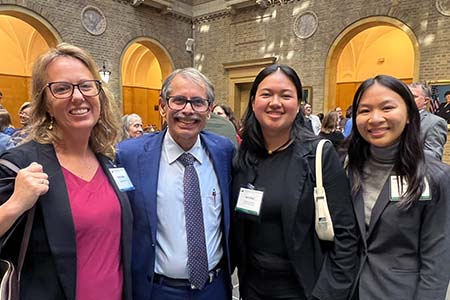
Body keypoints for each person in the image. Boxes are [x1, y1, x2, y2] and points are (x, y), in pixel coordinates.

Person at [0, 43, 133, 300]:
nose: (78, 96)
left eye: (86, 85)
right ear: (46, 104)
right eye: (61, 88)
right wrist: (16, 203)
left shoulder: (109, 161)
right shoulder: (21, 164)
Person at [232, 64, 359, 300]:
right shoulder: (244, 155)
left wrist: (327, 295)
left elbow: (346, 235)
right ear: (252, 102)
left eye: (286, 95)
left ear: (298, 104)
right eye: (266, 94)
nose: (275, 102)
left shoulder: (319, 155)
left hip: (303, 289)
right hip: (251, 287)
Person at [116, 68, 235, 300]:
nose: (188, 110)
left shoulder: (224, 152)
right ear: (162, 107)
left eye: (198, 102)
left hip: (215, 289)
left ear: (209, 111)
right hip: (158, 291)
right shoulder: (129, 156)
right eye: (178, 100)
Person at [346, 75, 450, 300]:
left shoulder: (435, 177)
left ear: (411, 115)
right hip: (347, 289)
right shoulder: (347, 168)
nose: (375, 118)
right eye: (364, 111)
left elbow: (437, 259)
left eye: (387, 108)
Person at [408, 82, 447, 160]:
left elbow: (433, 156)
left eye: (413, 96)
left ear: (426, 100)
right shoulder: (398, 119)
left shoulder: (435, 122)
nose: (407, 99)